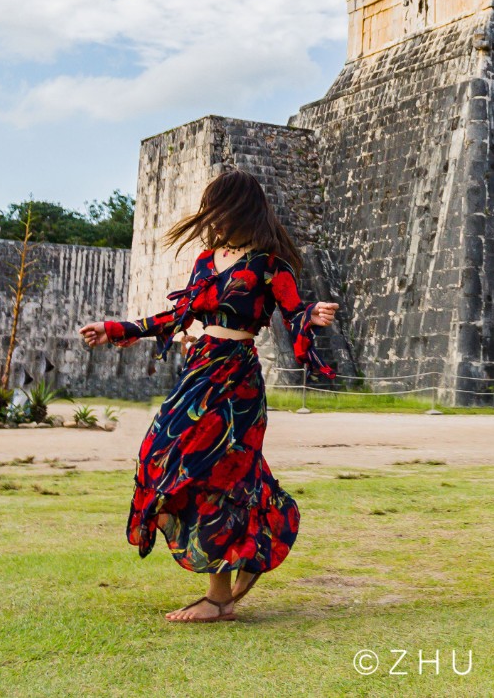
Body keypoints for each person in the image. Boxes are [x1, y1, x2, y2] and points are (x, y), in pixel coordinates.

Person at [80, 169, 338, 623]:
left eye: (218, 208)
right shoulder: (205, 261)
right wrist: (114, 329)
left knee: (220, 481)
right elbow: (175, 316)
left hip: (237, 379)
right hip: (198, 372)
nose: (211, 218)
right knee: (154, 456)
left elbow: (295, 311)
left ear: (238, 208)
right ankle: (254, 546)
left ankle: (218, 598)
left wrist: (312, 315)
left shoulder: (269, 265)